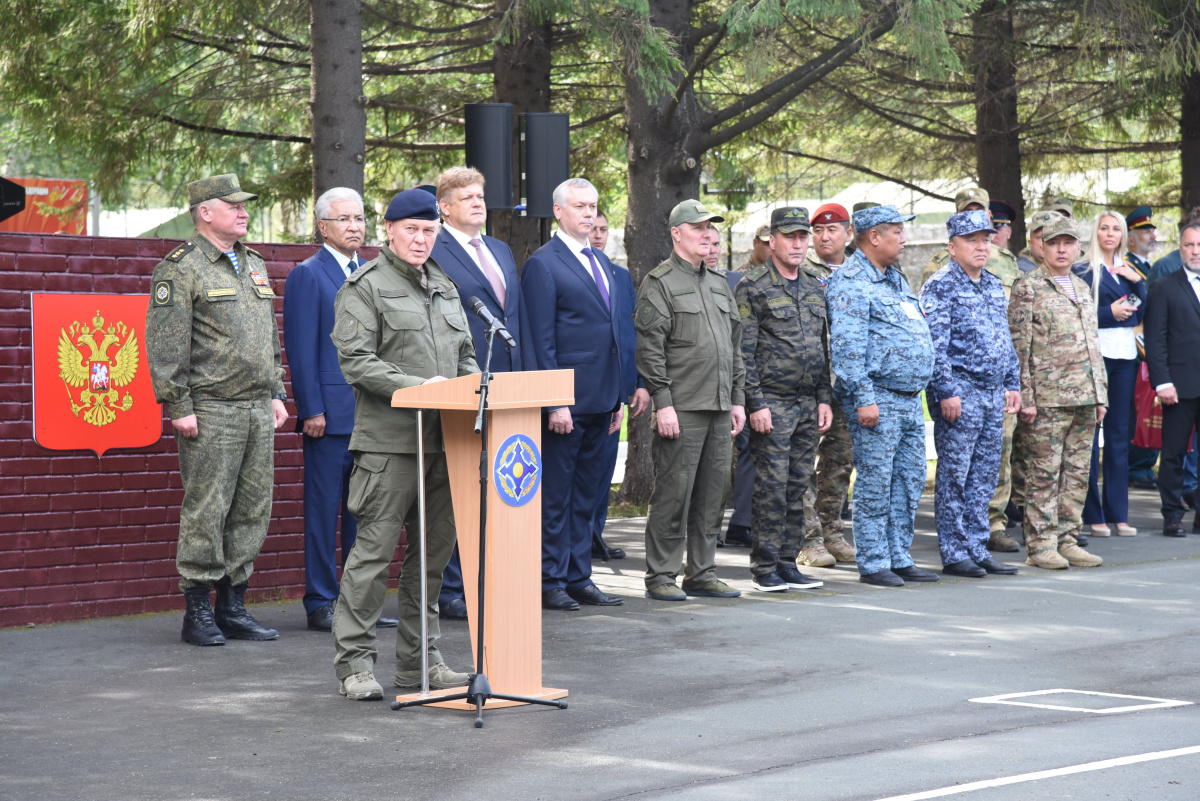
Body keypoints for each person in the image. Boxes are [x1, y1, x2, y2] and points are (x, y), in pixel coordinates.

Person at [329, 188, 480, 701]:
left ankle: (421, 661)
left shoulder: (444, 284)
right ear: (389, 231)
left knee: (431, 560)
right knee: (371, 557)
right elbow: (356, 360)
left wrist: (473, 387)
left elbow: (464, 355)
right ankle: (354, 664)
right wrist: (415, 389)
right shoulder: (365, 286)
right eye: (411, 230)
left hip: (446, 443)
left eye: (429, 231)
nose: (421, 239)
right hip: (390, 446)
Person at [146, 173, 288, 647]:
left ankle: (232, 606)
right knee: (208, 509)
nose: (244, 212)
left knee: (252, 509)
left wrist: (276, 391)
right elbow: (166, 345)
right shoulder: (180, 268)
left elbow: (268, 337)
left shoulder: (252, 263)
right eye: (234, 205)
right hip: (210, 408)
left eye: (245, 205)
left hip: (255, 407)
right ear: (205, 212)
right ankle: (197, 611)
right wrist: (178, 404)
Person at [283, 188, 398, 633]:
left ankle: (358, 602)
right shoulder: (307, 275)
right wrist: (311, 408)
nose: (355, 226)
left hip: (372, 416)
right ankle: (320, 600)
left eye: (360, 218)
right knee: (323, 511)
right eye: (344, 219)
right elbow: (301, 347)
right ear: (323, 226)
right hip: (328, 419)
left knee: (365, 515)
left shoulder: (372, 273)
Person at [428, 167, 536, 620]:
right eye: (466, 197)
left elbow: (518, 316)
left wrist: (529, 378)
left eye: (480, 195)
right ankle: (453, 586)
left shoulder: (499, 249)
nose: (476, 203)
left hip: (508, 378)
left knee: (500, 483)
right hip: (464, 378)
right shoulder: (434, 247)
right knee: (461, 485)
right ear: (444, 206)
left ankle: (495, 577)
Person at [522, 178, 627, 611]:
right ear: (558, 211)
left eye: (593, 206)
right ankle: (549, 580)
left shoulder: (600, 262)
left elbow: (616, 333)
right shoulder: (544, 264)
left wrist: (621, 395)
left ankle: (579, 575)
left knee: (588, 497)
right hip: (564, 404)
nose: (588, 213)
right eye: (580, 206)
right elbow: (540, 339)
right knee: (556, 497)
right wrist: (554, 401)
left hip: (603, 402)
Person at [636, 199, 746, 601]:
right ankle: (661, 575)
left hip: (718, 406)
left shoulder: (718, 283)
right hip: (681, 407)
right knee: (673, 494)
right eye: (698, 227)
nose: (707, 234)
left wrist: (737, 399)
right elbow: (650, 349)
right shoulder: (660, 282)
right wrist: (663, 402)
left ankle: (701, 571)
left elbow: (734, 348)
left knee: (712, 496)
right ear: (676, 234)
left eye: (710, 228)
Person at [827, 205, 939, 588]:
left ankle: (899, 556)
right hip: (878, 397)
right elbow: (847, 350)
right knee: (876, 481)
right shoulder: (851, 281)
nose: (904, 238)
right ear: (873, 236)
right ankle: (874, 561)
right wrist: (863, 398)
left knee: (909, 479)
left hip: (909, 398)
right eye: (896, 231)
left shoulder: (894, 278)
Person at [919, 210, 1022, 578]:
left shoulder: (994, 284)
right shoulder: (941, 285)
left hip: (993, 393)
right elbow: (935, 346)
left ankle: (978, 547)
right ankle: (954, 551)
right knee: (955, 476)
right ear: (952, 246)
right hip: (960, 393)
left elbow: (1004, 339)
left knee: (984, 476)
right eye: (972, 240)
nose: (982, 246)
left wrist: (1013, 382)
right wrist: (946, 391)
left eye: (985, 239)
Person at [735, 206, 832, 591]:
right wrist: (755, 403)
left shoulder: (812, 284)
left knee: (797, 485)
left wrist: (824, 397)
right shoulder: (753, 285)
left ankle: (788, 561)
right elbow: (744, 352)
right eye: (789, 236)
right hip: (772, 403)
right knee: (772, 487)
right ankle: (764, 567)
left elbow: (821, 348)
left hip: (808, 403)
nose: (797, 243)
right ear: (771, 240)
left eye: (802, 236)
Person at [1007, 215, 1107, 569]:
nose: (1061, 249)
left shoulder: (1081, 287)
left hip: (1084, 397)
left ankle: (1067, 539)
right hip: (1047, 399)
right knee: (1043, 474)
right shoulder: (1028, 287)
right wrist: (1026, 398)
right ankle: (1040, 544)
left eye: (1068, 243)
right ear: (1042, 248)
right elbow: (1019, 349)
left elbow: (1093, 344)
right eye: (1053, 243)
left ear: (1078, 247)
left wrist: (1101, 395)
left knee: (1079, 473)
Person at [588, 211, 650, 561]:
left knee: (603, 470)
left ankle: (596, 534)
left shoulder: (620, 275)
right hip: (584, 391)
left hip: (616, 391)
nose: (597, 235)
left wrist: (638, 382)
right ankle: (579, 539)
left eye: (603, 229)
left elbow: (631, 332)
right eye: (592, 228)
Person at [1078, 211, 1145, 538]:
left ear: (1123, 234)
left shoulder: (1128, 269)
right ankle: (1094, 515)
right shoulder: (1085, 269)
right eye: (1104, 227)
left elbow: (1139, 311)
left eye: (1115, 228)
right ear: (1096, 231)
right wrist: (1110, 313)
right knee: (1090, 436)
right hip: (1096, 357)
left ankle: (1119, 514)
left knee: (1118, 438)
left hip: (1124, 358)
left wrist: (1136, 283)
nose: (1109, 233)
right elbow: (1080, 313)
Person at [797, 202, 856, 567]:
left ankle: (832, 533)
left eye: (832, 230)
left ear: (848, 234)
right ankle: (809, 539)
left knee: (838, 463)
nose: (823, 236)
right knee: (803, 464)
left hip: (848, 383)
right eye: (817, 230)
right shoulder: (801, 271)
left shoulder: (859, 272)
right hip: (811, 382)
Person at [1144, 220, 1200, 536]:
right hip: (1178, 386)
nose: (1195, 251)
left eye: (1199, 245)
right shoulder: (1164, 287)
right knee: (1174, 453)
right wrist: (1162, 382)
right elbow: (1155, 339)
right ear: (1180, 249)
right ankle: (1172, 514)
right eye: (1189, 245)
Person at [1125, 205, 1160, 490]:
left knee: (1153, 408)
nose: (1152, 234)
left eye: (1152, 230)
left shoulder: (1150, 268)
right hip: (1136, 348)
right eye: (1145, 230)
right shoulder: (1126, 266)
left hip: (1153, 347)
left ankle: (1145, 463)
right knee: (1137, 410)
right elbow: (1133, 305)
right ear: (1130, 237)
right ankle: (1136, 466)